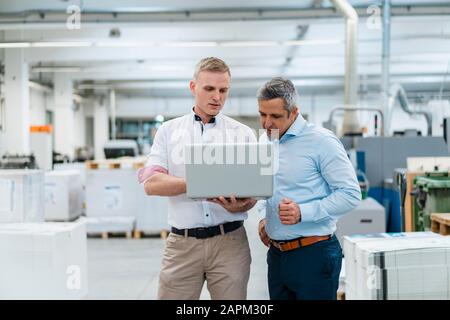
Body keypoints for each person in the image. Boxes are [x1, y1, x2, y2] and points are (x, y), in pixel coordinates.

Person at [137, 57, 257, 300]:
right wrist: (200, 183)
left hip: (230, 243)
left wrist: (242, 204)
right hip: (182, 244)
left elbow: (253, 193)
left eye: (224, 90)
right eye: (209, 89)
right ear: (193, 87)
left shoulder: (242, 134)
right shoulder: (169, 132)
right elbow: (151, 183)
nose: (217, 97)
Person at [256, 77, 361, 300]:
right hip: (277, 256)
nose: (267, 123)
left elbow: (351, 194)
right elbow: (266, 190)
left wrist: (303, 212)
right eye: (262, 114)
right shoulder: (266, 142)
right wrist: (263, 218)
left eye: (275, 116)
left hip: (313, 255)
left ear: (294, 113)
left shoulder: (322, 141)